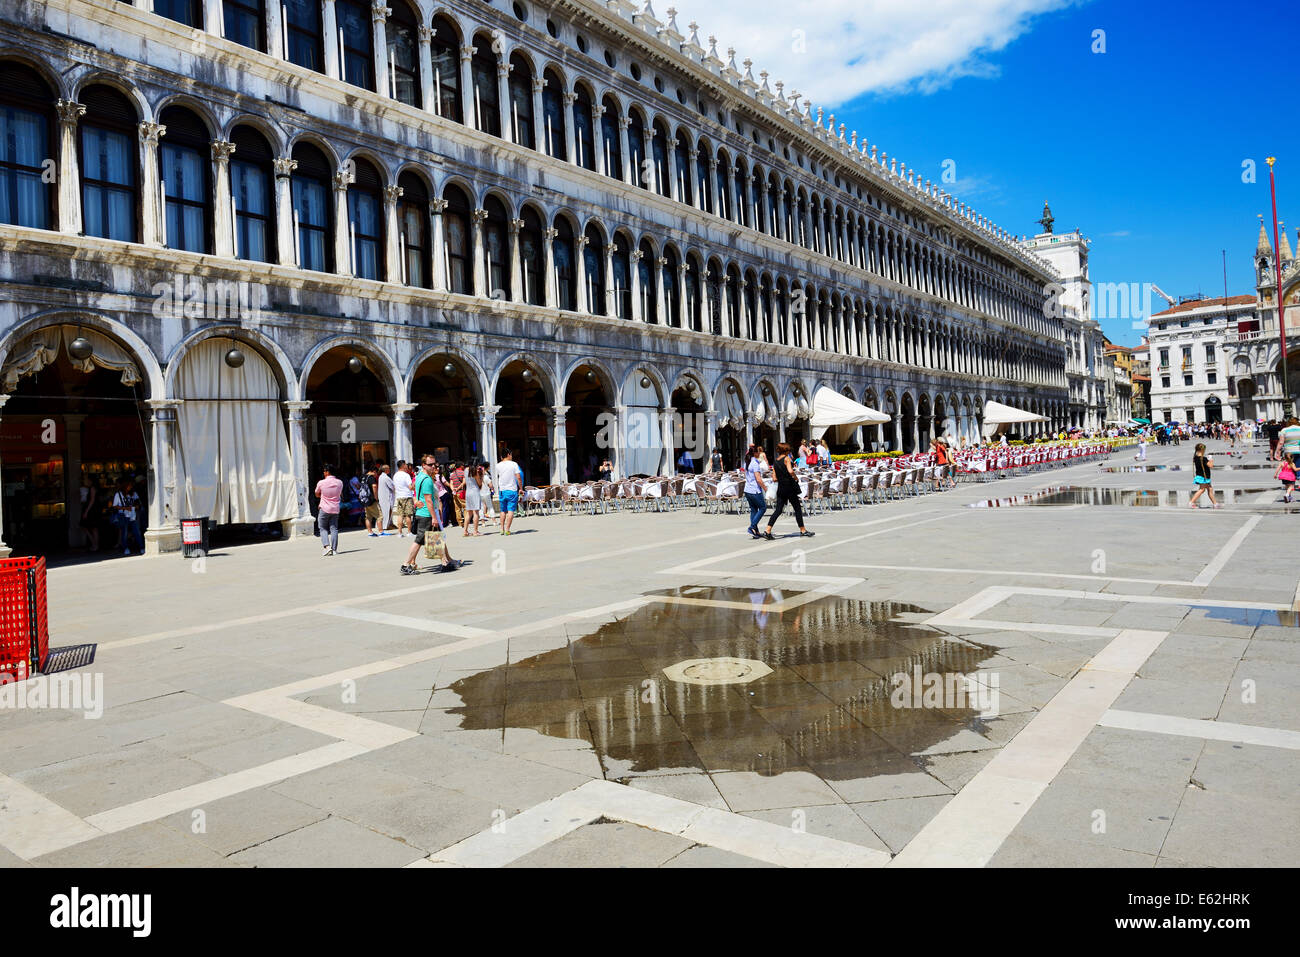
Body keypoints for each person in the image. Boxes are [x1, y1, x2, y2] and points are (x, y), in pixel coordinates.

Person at [401, 454, 456, 574]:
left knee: (437, 537)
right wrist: (434, 517)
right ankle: (406, 564)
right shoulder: (427, 481)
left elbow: (415, 492)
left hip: (423, 512)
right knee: (419, 540)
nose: (433, 466)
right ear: (423, 465)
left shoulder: (420, 476)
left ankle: (445, 562)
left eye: (434, 464)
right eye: (430, 465)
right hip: (426, 514)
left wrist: (416, 501)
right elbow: (429, 500)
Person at [763, 443, 814, 539]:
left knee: (778, 510)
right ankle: (803, 530)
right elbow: (790, 471)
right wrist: (795, 478)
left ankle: (768, 530)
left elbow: (774, 478)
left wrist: (781, 478)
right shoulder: (786, 459)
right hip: (789, 487)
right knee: (797, 508)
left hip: (781, 488)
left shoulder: (776, 461)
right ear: (786, 451)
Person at [314, 463, 343, 555]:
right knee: (334, 528)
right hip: (335, 508)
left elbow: (317, 493)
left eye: (324, 471)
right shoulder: (340, 482)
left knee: (322, 528)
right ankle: (334, 549)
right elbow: (339, 493)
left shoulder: (321, 483)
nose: (323, 473)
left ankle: (327, 547)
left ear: (327, 472)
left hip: (324, 508)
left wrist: (322, 495)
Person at [111, 477, 144, 555]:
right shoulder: (118, 494)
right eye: (129, 485)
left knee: (137, 532)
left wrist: (136, 506)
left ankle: (141, 547)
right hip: (123, 515)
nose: (131, 487)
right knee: (124, 533)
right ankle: (126, 548)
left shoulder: (134, 493)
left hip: (133, 515)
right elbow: (115, 506)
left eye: (131, 485)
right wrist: (125, 508)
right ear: (125, 485)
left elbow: (138, 503)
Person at [742, 444, 769, 540]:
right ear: (755, 453)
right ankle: (752, 526)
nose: (760, 453)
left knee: (754, 510)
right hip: (754, 490)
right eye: (759, 451)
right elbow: (758, 479)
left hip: (747, 489)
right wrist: (766, 489)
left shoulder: (747, 462)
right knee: (763, 508)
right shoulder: (755, 463)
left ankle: (756, 531)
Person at [495, 448, 524, 535]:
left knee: (503, 510)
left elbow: (496, 477)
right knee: (511, 510)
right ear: (508, 455)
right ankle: (507, 529)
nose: (511, 456)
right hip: (512, 490)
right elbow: (518, 477)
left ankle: (501, 529)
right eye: (511, 454)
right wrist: (521, 488)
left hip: (502, 490)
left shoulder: (498, 465)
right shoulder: (514, 464)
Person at [1188, 443, 1221, 509]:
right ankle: (1191, 502)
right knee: (1202, 490)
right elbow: (1210, 465)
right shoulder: (1204, 459)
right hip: (1204, 477)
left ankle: (1215, 504)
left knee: (1210, 489)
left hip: (1201, 476)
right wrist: (1211, 459)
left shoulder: (1196, 457)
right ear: (1202, 450)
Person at [392, 460, 414, 537]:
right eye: (405, 464)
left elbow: (394, 487)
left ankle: (400, 532)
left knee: (400, 515)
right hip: (407, 496)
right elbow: (410, 487)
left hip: (399, 496)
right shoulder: (406, 475)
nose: (406, 466)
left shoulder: (395, 475)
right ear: (403, 465)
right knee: (408, 515)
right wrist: (414, 483)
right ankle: (409, 532)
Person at [79, 476, 101, 552]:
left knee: (91, 527)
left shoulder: (92, 488)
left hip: (92, 510)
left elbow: (92, 500)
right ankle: (94, 544)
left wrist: (86, 511)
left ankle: (95, 544)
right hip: (94, 509)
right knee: (92, 527)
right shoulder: (93, 488)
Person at [361, 464, 381, 536]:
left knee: (368, 517)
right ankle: (381, 531)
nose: (376, 475)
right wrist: (376, 497)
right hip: (371, 499)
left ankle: (370, 532)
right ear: (374, 471)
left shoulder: (363, 477)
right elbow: (374, 486)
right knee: (379, 515)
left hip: (365, 500)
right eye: (376, 473)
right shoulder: (371, 477)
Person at [463, 464, 484, 536]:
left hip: (468, 492)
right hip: (475, 492)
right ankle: (475, 531)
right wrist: (482, 475)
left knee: (468, 513)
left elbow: (465, 481)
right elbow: (479, 483)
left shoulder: (466, 470)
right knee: (476, 513)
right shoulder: (475, 472)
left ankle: (465, 531)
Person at [378, 463, 395, 533]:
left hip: (383, 496)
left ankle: (386, 525)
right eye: (388, 469)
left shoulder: (381, 477)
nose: (389, 470)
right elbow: (392, 486)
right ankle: (385, 526)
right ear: (386, 470)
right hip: (387, 497)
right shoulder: (386, 478)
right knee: (387, 511)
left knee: (385, 511)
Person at [450, 461, 466, 528]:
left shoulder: (452, 474)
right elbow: (464, 482)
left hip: (455, 493)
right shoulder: (463, 473)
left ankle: (460, 523)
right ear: (461, 466)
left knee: (457, 509)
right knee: (465, 507)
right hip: (461, 492)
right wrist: (458, 488)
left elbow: (451, 483)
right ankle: (466, 522)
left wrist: (453, 489)